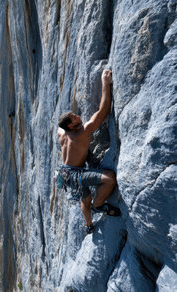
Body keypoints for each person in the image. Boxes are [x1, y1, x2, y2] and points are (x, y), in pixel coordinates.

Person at [57, 69, 120, 234]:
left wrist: (65, 120)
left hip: (66, 174)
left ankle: (88, 225)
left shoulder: (62, 133)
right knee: (109, 179)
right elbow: (102, 112)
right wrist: (105, 84)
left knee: (85, 198)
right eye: (74, 117)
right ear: (71, 125)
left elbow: (58, 126)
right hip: (77, 175)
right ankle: (98, 205)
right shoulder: (82, 132)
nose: (78, 116)